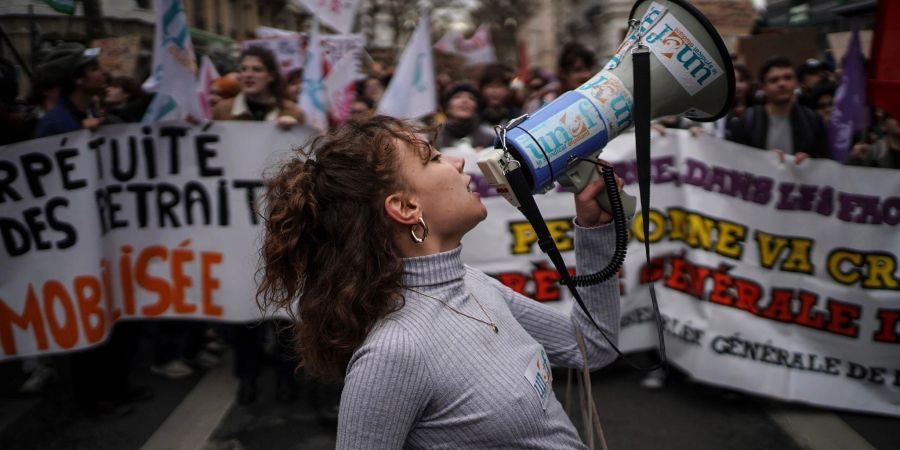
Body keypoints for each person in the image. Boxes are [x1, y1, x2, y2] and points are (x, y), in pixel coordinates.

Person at [257, 116, 622, 448]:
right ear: (405, 208)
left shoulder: (474, 284)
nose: (458, 161)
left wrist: (596, 231)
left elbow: (592, 346)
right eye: (433, 159)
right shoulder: (393, 354)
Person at [727, 56, 830, 164]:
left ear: (796, 83)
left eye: (788, 78)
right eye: (774, 80)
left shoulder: (812, 119)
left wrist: (811, 162)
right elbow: (736, 161)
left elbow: (825, 160)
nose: (782, 84)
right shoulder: (748, 120)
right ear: (763, 87)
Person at [213, 46, 304, 128]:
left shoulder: (293, 112)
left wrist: (294, 131)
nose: (248, 75)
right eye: (243, 69)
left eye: (257, 70)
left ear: (271, 76)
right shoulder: (222, 110)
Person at [35, 42, 106, 137]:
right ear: (78, 79)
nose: (104, 71)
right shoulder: (54, 125)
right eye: (94, 69)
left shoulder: (94, 114)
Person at [524, 43, 595, 113]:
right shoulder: (547, 99)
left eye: (588, 69)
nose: (586, 75)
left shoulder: (594, 97)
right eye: (578, 70)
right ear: (563, 73)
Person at [435, 81, 495, 150]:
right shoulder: (433, 137)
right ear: (447, 107)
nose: (464, 101)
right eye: (457, 97)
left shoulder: (491, 138)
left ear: (477, 108)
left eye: (471, 98)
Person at [478, 63, 522, 127]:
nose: (494, 91)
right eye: (489, 86)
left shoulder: (517, 115)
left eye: (499, 86)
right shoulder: (475, 116)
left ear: (509, 90)